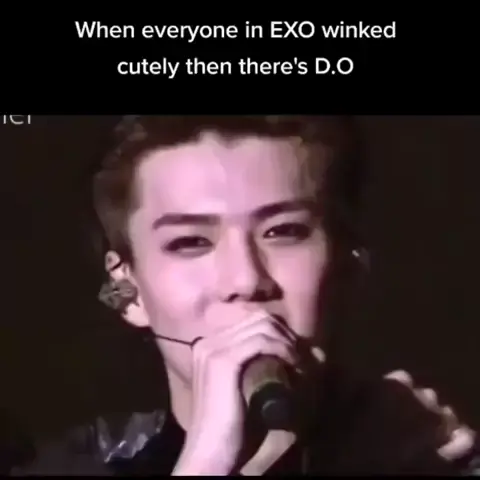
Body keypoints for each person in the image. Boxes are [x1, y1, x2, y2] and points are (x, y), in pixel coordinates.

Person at [10, 115, 478, 475]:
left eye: (284, 231)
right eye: (190, 242)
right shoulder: (79, 465)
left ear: (348, 264)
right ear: (128, 291)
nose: (246, 280)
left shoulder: (420, 450)